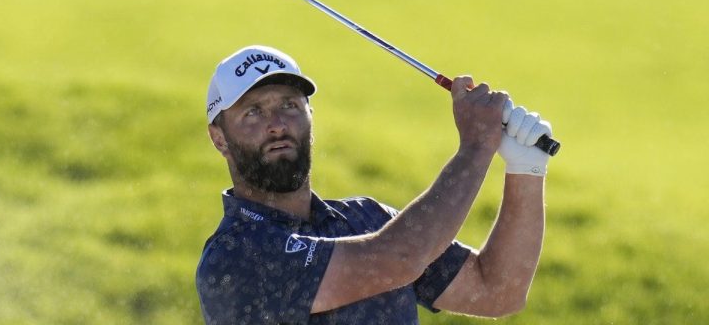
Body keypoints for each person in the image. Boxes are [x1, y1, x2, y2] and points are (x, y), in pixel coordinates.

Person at [196, 45, 553, 324]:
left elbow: (497, 291)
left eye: (289, 105)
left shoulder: (366, 218)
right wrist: (476, 147)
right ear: (220, 139)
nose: (276, 124)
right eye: (253, 112)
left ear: (310, 115)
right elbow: (396, 259)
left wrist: (526, 169)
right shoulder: (234, 255)